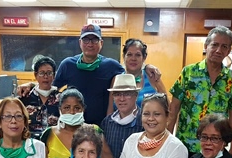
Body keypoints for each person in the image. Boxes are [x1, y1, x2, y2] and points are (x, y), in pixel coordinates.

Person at [17, 25, 162, 126]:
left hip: (101, 125)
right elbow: (50, 86)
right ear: (80, 42)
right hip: (73, 124)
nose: (90, 44)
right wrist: (31, 85)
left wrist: (146, 66)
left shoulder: (111, 66)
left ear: (101, 43)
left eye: (94, 40)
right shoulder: (68, 64)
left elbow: (131, 69)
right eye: (86, 40)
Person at [168, 25, 232, 157]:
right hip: (186, 145)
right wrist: (166, 142)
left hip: (216, 146)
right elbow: (173, 109)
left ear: (228, 51)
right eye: (214, 45)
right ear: (206, 46)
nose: (218, 50)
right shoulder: (189, 72)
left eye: (224, 46)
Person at [41, 87, 115, 158]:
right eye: (67, 108)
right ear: (60, 109)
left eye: (77, 108)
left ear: (83, 109)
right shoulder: (49, 134)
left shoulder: (94, 130)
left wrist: (93, 139)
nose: (72, 112)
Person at [19, 56, 60, 138]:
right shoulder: (24, 98)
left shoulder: (61, 98)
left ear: (54, 75)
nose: (45, 77)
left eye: (49, 73)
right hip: (29, 141)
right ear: (35, 75)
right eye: (41, 73)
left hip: (54, 140)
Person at [122, 38, 167, 107]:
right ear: (123, 56)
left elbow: (167, 106)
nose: (133, 58)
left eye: (138, 55)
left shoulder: (152, 76)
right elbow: (110, 111)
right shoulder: (117, 79)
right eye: (129, 54)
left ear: (144, 57)